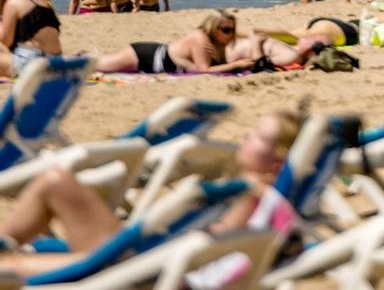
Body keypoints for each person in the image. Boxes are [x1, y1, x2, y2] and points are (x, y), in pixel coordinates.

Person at [0, 110, 302, 279]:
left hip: (145, 274)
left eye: (257, 137)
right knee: (56, 181)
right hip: (147, 260)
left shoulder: (244, 196)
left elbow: (210, 247)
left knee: (11, 266)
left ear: (277, 160)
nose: (246, 137)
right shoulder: (276, 203)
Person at [92, 11, 248, 75]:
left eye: (232, 30)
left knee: (103, 62)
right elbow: (203, 70)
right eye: (226, 30)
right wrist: (236, 65)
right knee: (97, 66)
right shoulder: (201, 39)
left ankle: (94, 56)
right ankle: (81, 58)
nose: (231, 34)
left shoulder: (217, 43)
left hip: (155, 55)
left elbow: (217, 67)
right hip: (145, 56)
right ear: (214, 28)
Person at [0, 0, 61, 76]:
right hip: (54, 61)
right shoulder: (43, 3)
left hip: (32, 62)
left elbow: (6, 41)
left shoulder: (14, 2)